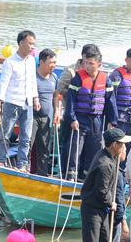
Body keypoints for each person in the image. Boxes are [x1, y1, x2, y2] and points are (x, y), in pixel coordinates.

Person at [74, 128, 131, 242]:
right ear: (114, 144)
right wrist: (111, 204)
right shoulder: (104, 163)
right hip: (93, 209)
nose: (124, 147)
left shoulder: (109, 158)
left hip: (102, 210)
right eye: (122, 144)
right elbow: (101, 192)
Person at [65, 46, 117, 181]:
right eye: (86, 63)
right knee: (75, 150)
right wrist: (72, 119)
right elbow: (71, 101)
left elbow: (111, 102)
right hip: (80, 120)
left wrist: (112, 121)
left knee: (94, 151)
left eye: (91, 64)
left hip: (97, 122)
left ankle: (89, 178)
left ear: (98, 65)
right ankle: (72, 177)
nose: (87, 66)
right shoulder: (77, 79)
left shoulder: (106, 80)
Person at [0, 30, 38, 172]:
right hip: (12, 102)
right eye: (30, 44)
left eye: (34, 44)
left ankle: (22, 165)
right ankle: (1, 161)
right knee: (5, 135)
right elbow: (4, 83)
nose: (32, 47)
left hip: (28, 103)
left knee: (26, 137)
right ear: (21, 43)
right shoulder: (10, 62)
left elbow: (33, 81)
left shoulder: (31, 61)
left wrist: (35, 98)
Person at [57, 44, 98, 176]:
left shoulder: (96, 74)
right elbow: (60, 89)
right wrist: (77, 91)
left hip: (90, 117)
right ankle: (65, 174)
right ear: (84, 57)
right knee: (69, 147)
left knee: (87, 149)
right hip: (72, 114)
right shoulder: (70, 70)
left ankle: (82, 176)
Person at [30, 48, 58, 176]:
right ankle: (23, 170)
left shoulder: (54, 77)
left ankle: (42, 174)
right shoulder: (33, 76)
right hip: (31, 116)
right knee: (27, 145)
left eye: (55, 63)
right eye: (51, 62)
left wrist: (56, 111)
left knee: (44, 148)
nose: (53, 65)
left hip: (46, 118)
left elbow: (55, 96)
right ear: (41, 62)